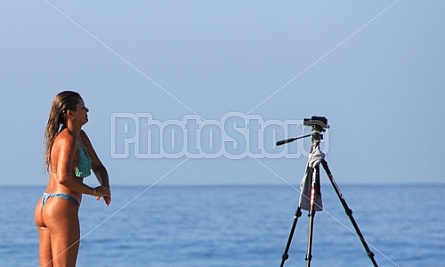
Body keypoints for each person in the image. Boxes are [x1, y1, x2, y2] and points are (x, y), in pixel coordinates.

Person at [34, 91, 111, 267]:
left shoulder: (80, 137)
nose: (87, 110)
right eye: (82, 107)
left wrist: (104, 186)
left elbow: (98, 167)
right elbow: (63, 178)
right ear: (70, 113)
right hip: (61, 206)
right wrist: (94, 191)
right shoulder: (67, 139)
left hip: (47, 206)